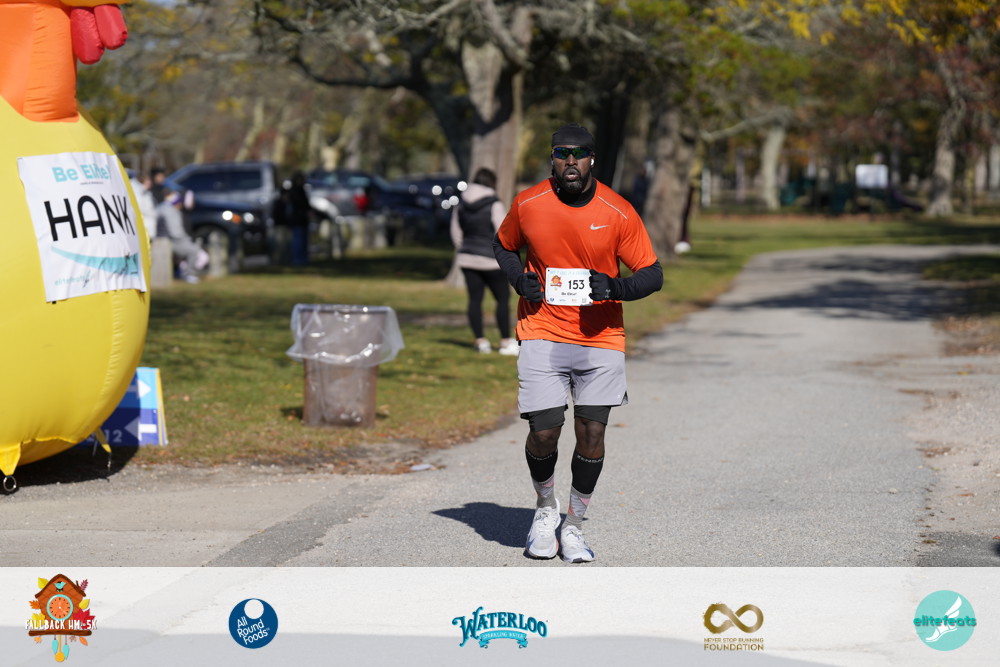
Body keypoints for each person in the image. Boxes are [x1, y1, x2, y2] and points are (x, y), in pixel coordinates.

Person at [493, 123, 663, 563]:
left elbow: (652, 274)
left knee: (592, 433)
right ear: (552, 158)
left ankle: (574, 525)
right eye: (561, 153)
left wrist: (614, 287)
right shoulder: (528, 203)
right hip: (542, 330)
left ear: (592, 159)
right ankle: (545, 508)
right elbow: (503, 246)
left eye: (579, 153)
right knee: (544, 432)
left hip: (600, 338)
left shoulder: (617, 210)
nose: (570, 161)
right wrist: (519, 280)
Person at [451, 167, 516, 355]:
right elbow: (502, 232)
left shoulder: (461, 202)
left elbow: (455, 231)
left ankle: (480, 341)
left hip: (467, 258)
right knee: (502, 299)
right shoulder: (494, 203)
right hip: (492, 261)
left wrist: (464, 248)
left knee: (474, 300)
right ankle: (505, 342)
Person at [157, 187, 208, 283]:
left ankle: (183, 271)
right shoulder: (170, 211)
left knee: (195, 251)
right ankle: (188, 274)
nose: (181, 205)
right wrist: (187, 238)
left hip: (169, 240)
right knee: (194, 251)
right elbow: (175, 232)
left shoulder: (163, 208)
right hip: (171, 241)